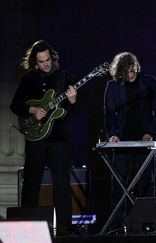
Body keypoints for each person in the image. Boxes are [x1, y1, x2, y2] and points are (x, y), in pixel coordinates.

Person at [10, 40, 77, 234]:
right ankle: (25, 228)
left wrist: (72, 101)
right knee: (31, 181)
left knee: (62, 183)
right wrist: (31, 109)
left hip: (59, 138)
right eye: (41, 61)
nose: (46, 64)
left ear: (52, 57)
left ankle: (64, 227)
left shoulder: (66, 77)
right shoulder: (28, 79)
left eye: (48, 59)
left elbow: (73, 111)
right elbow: (15, 105)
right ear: (35, 62)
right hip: (36, 138)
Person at [104, 52, 156, 232]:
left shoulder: (149, 82)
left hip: (144, 141)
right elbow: (109, 114)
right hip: (122, 141)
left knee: (147, 184)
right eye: (127, 72)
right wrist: (113, 135)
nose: (131, 75)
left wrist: (150, 132)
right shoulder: (113, 86)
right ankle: (117, 226)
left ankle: (146, 224)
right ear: (120, 72)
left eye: (133, 70)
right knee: (119, 185)